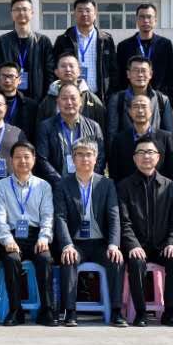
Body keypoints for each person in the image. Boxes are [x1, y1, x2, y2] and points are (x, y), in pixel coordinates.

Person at [51, 140, 125, 327]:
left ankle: (116, 311)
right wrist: (67, 245)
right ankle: (70, 311)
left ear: (96, 158)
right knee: (68, 258)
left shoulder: (106, 184)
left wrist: (113, 245)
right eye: (80, 154)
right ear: (73, 158)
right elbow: (60, 217)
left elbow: (114, 216)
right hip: (76, 243)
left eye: (89, 154)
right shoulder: (63, 184)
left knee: (116, 259)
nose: (85, 158)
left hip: (100, 243)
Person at [118, 137, 173, 326]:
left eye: (150, 152)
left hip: (162, 245)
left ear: (158, 157)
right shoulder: (124, 186)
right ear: (134, 158)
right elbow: (124, 222)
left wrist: (172, 243)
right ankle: (141, 313)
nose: (146, 156)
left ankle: (171, 312)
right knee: (136, 261)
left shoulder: (170, 186)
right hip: (137, 246)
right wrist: (133, 245)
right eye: (141, 152)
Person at [0, 140, 56, 326]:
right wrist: (7, 240)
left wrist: (44, 238)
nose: (22, 161)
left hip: (36, 236)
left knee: (45, 259)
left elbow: (47, 216)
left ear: (34, 159)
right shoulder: (0, 186)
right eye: (18, 157)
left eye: (27, 157)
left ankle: (47, 310)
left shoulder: (43, 186)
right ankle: (15, 310)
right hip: (11, 236)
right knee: (11, 259)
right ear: (11, 160)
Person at [36, 82, 105, 184]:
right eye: (64, 98)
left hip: (87, 185)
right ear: (57, 101)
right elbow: (42, 159)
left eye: (73, 98)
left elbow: (100, 158)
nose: (69, 102)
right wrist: (61, 184)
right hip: (57, 186)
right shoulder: (46, 127)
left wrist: (88, 181)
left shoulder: (94, 127)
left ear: (80, 101)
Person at [52, 0, 117, 97]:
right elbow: (55, 69)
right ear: (74, 14)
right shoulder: (63, 40)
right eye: (80, 10)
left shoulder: (106, 40)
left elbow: (113, 70)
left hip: (100, 96)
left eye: (88, 10)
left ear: (95, 14)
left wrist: (110, 94)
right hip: (71, 97)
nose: (84, 14)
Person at [0, 0, 53, 103]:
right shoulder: (2, 41)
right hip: (9, 99)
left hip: (37, 99)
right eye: (17, 9)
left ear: (32, 13)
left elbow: (50, 75)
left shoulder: (43, 41)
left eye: (25, 9)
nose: (21, 13)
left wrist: (46, 101)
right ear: (12, 14)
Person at [115, 3, 173, 101]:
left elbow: (171, 75)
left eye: (149, 17)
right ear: (136, 20)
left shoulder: (165, 44)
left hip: (159, 101)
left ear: (155, 20)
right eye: (142, 17)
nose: (145, 20)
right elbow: (120, 77)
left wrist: (169, 100)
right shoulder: (124, 46)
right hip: (132, 101)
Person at [107, 56, 173, 143]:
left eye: (143, 70)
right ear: (128, 74)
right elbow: (112, 135)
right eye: (135, 70)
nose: (140, 74)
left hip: (154, 149)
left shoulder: (162, 100)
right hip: (126, 149)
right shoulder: (117, 99)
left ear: (150, 74)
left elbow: (169, 136)